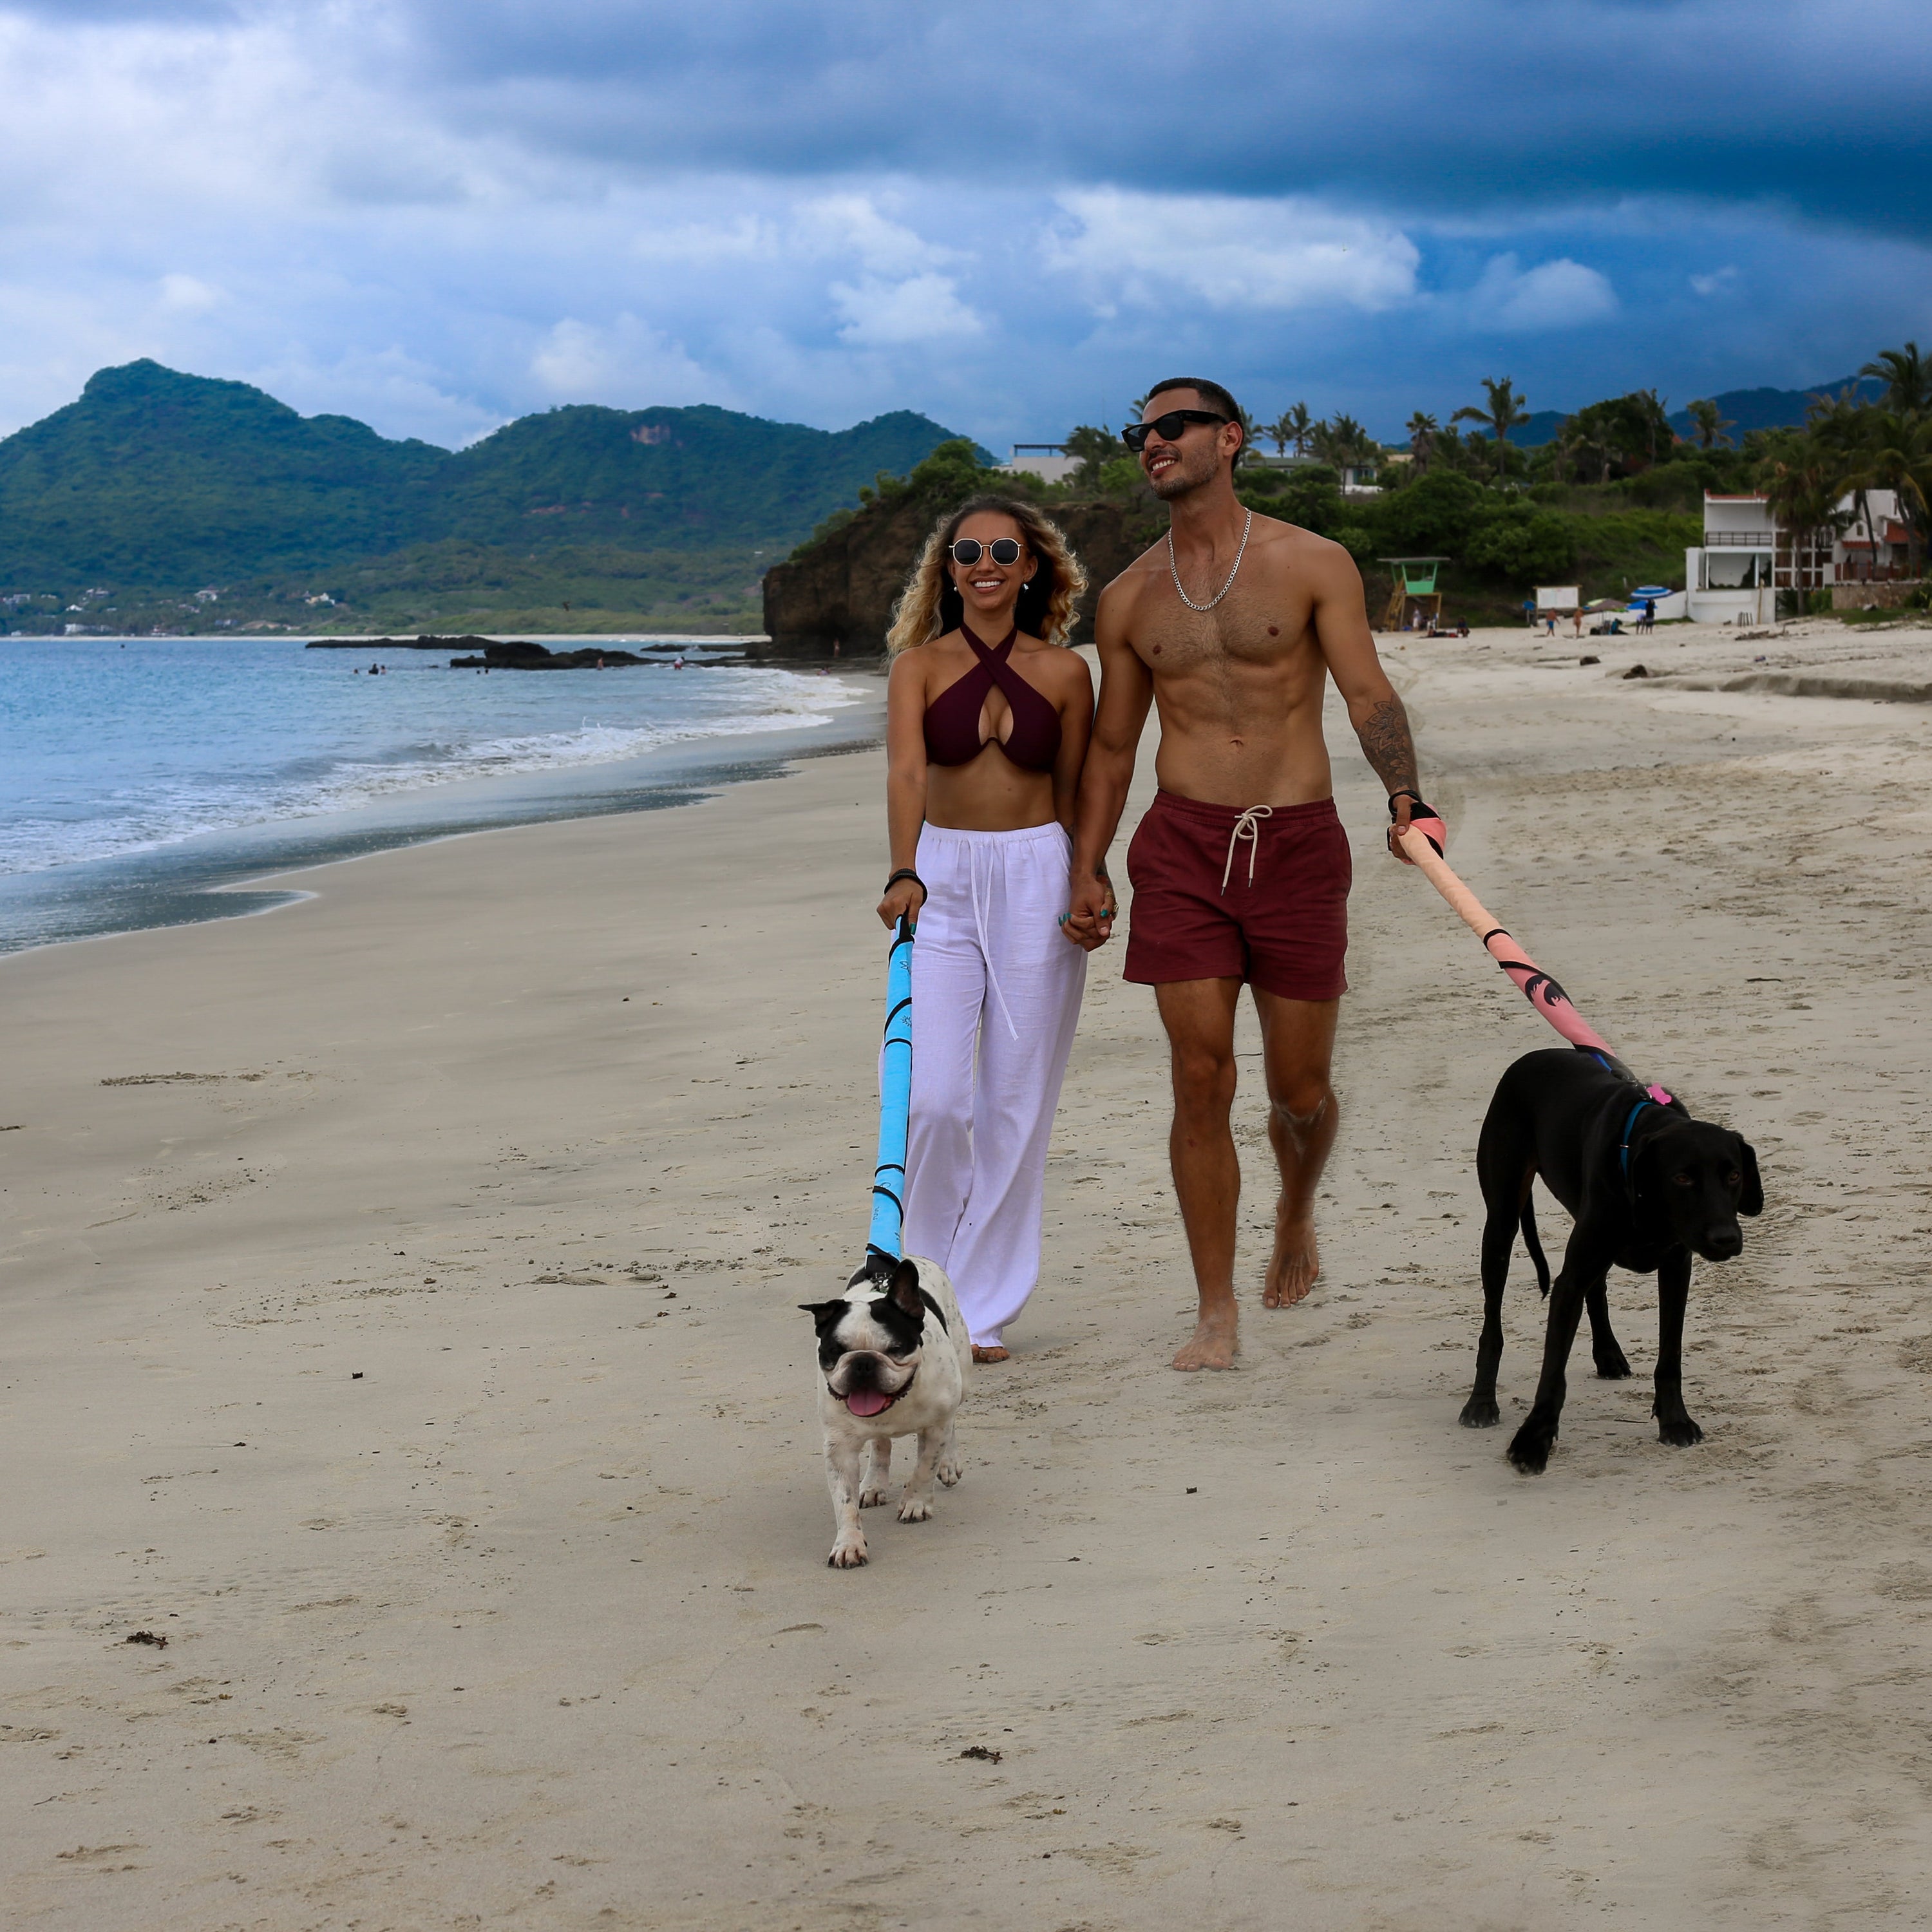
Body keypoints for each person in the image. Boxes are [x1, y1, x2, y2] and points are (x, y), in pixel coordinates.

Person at [1061, 379, 1437, 1372]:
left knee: (1302, 1091)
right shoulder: (1128, 598)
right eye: (1139, 432)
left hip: (1300, 844)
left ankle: (1296, 1208)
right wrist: (1086, 864)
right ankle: (1215, 1309)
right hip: (1183, 847)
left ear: (1230, 439)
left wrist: (1406, 797)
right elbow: (1110, 746)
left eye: (1172, 428)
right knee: (1199, 1079)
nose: (1153, 443)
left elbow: (1367, 692)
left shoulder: (1313, 562)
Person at [876, 496, 1094, 1363]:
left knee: (1015, 1105)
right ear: (950, 569)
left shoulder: (1068, 673)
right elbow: (904, 771)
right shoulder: (917, 668)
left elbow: (1079, 789)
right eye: (967, 551)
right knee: (932, 1101)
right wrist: (902, 869)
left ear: (1032, 564)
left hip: (1039, 876)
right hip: (942, 879)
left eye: (1004, 548)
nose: (985, 562)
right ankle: (919, 1284)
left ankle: (983, 1307)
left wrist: (1089, 880)